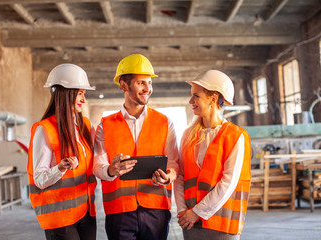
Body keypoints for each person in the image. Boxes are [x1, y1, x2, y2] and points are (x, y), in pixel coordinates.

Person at [93, 54, 179, 240]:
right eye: (141, 83)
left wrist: (167, 177)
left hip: (156, 210)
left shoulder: (165, 123)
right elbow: (96, 167)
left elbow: (174, 163)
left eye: (150, 83)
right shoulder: (105, 125)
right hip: (119, 211)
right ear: (123, 86)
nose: (148, 89)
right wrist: (110, 169)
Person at [174, 70, 252, 240]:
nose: (190, 101)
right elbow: (180, 177)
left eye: (196, 96)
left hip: (222, 225)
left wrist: (196, 212)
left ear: (213, 98)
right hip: (190, 223)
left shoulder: (235, 135)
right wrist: (182, 211)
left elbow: (228, 182)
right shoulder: (188, 135)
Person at [27, 63, 97, 240]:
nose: (83, 100)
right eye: (80, 94)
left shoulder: (85, 126)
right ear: (65, 94)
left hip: (86, 211)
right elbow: (40, 180)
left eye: (84, 94)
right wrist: (60, 167)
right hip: (59, 218)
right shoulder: (45, 129)